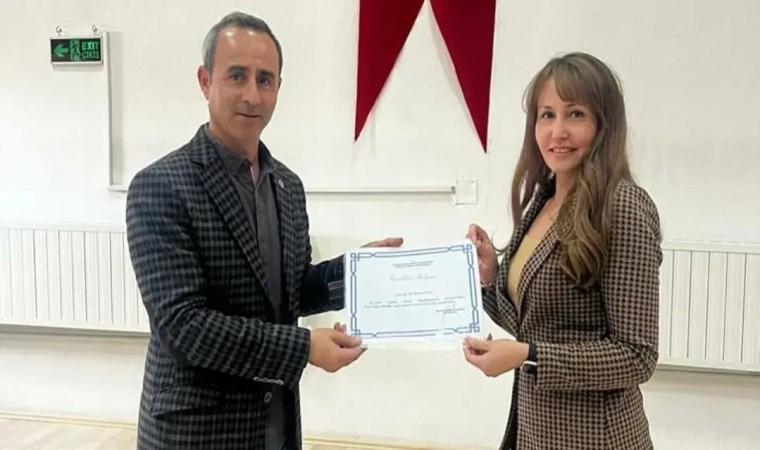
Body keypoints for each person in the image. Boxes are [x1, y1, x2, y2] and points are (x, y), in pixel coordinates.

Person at [125, 11, 402, 450]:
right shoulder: (160, 186)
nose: (252, 95)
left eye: (265, 79)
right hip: (196, 434)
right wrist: (304, 348)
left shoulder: (288, 186)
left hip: (276, 426)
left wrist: (357, 273)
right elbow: (183, 326)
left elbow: (292, 291)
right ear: (205, 81)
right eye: (237, 75)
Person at [464, 52, 662, 450]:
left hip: (596, 438)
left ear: (604, 124)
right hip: (535, 430)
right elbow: (534, 323)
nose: (558, 131)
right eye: (547, 115)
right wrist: (489, 278)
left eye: (575, 114)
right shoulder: (544, 200)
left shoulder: (622, 206)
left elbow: (636, 356)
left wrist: (528, 356)